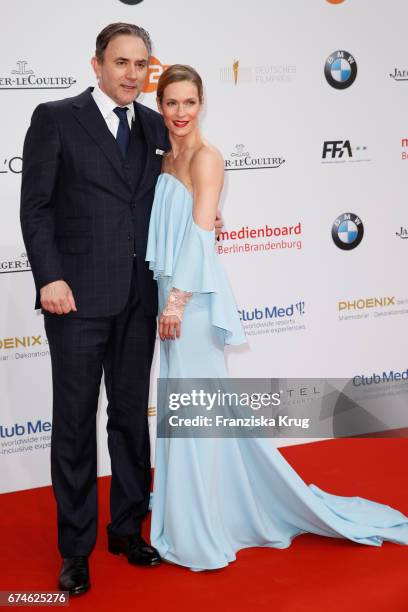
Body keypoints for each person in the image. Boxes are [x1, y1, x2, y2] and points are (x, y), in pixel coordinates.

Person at [146, 64, 408, 571]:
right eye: (172, 103)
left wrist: (176, 303)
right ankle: (197, 505)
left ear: (202, 103)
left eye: (189, 102)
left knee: (195, 400)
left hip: (191, 299)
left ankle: (204, 518)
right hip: (169, 292)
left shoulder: (206, 157)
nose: (181, 113)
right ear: (161, 107)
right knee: (190, 401)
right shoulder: (165, 158)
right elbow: (180, 221)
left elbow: (200, 237)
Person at [20, 23, 225, 596]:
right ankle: (76, 549)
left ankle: (127, 528)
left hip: (140, 300)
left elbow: (178, 191)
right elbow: (34, 208)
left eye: (141, 64)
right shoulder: (55, 118)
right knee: (76, 425)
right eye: (121, 63)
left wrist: (205, 220)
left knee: (131, 420)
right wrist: (50, 277)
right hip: (76, 300)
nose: (131, 74)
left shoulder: (157, 124)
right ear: (97, 64)